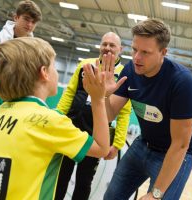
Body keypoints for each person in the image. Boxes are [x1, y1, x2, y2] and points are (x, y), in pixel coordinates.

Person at [0, 37, 111, 199]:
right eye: (54, 66)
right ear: (44, 73)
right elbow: (101, 147)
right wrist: (98, 99)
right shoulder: (49, 121)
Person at [85, 18, 192, 200]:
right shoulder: (130, 71)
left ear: (163, 52)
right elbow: (109, 114)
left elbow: (181, 144)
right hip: (142, 145)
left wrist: (156, 193)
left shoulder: (182, 81)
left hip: (174, 153)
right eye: (135, 49)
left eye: (145, 52)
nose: (136, 57)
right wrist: (102, 95)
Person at [55, 32, 131, 200]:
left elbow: (124, 112)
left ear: (121, 49)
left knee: (84, 181)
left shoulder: (124, 75)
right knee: (61, 177)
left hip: (96, 136)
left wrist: (117, 144)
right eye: (104, 44)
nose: (107, 48)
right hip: (71, 129)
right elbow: (69, 93)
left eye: (112, 45)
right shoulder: (85, 65)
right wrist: (58, 116)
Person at [0, 0, 42, 109]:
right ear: (16, 17)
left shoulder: (33, 49)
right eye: (26, 19)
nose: (29, 25)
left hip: (14, 100)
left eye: (33, 22)